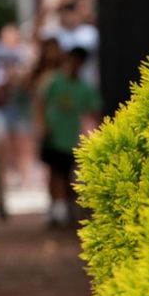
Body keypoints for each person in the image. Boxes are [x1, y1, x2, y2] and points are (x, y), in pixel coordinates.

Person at [35, 46, 101, 227]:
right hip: (53, 135)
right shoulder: (55, 81)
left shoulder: (84, 87)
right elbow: (40, 102)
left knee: (66, 174)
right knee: (55, 172)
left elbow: (94, 109)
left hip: (70, 138)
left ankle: (63, 210)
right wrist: (42, 124)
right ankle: (57, 209)